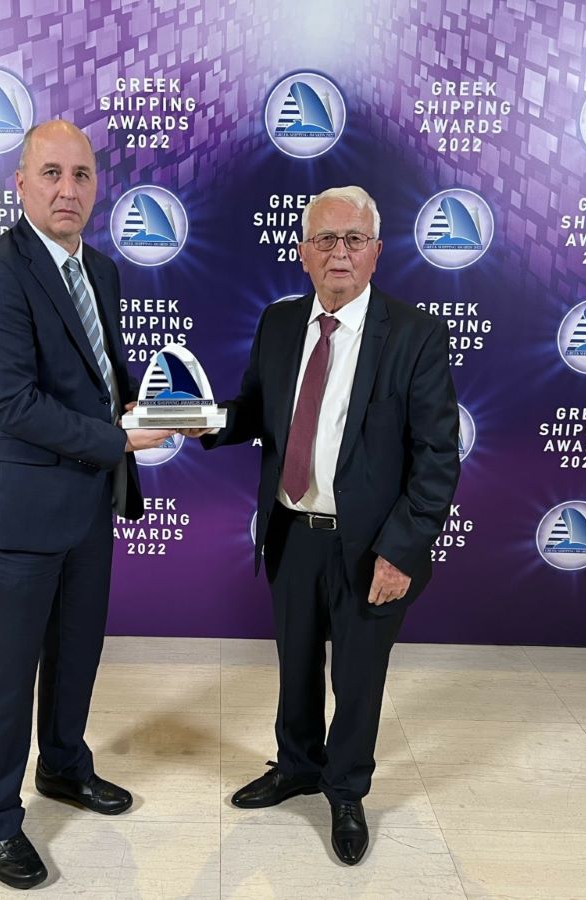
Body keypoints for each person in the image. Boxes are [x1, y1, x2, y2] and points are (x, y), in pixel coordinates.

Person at [196, 186, 460, 865]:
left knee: (358, 677)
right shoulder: (280, 323)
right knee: (296, 663)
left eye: (353, 239)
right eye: (325, 239)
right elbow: (254, 409)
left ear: (376, 252)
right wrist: (196, 420)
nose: (339, 252)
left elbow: (437, 456)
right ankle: (297, 766)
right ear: (303, 252)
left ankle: (345, 790)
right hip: (291, 530)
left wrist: (402, 551)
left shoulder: (416, 334)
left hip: (371, 546)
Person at [0, 119, 173, 889]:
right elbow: (12, 404)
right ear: (21, 184)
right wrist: (119, 438)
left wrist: (146, 406)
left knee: (77, 650)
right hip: (18, 508)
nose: (68, 189)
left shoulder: (100, 270)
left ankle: (63, 766)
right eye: (51, 173)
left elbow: (97, 375)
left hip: (87, 501)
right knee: (8, 671)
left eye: (81, 175)